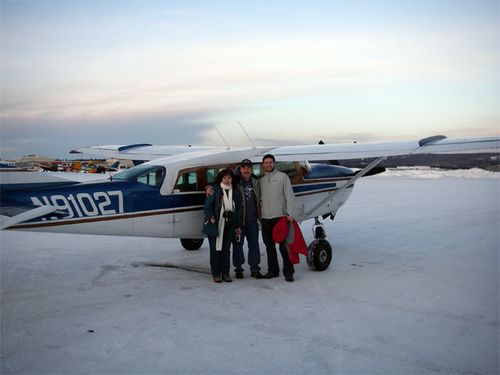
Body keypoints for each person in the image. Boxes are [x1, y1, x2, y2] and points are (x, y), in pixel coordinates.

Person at [259, 154, 296, 282]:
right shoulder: (261, 180)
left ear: (274, 163)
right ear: (263, 164)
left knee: (283, 247)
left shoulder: (282, 177)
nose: (268, 164)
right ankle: (273, 271)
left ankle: (289, 272)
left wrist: (290, 213)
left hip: (280, 217)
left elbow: (290, 196)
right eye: (266, 162)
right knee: (269, 247)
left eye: (270, 162)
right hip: (265, 218)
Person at [202, 169, 242, 283]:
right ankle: (216, 274)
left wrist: (238, 226)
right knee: (215, 250)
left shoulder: (236, 192)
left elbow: (238, 210)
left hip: (229, 224)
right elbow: (207, 206)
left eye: (229, 178)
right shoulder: (214, 190)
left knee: (226, 249)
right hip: (215, 224)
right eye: (225, 178)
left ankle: (225, 273)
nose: (227, 180)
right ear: (221, 179)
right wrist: (211, 217)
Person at [232, 159, 263, 279]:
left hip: (252, 221)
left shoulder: (256, 181)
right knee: (238, 245)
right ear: (240, 169)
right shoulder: (234, 182)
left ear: (251, 169)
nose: (246, 170)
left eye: (249, 168)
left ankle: (255, 269)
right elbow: (220, 183)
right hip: (239, 222)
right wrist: (208, 188)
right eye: (244, 168)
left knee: (254, 245)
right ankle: (238, 268)